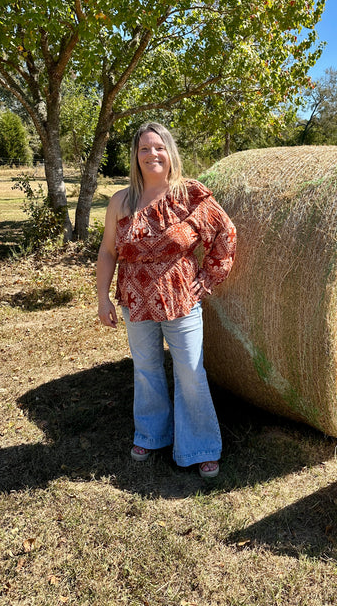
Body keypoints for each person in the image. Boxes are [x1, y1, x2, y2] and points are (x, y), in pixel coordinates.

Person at [97, 121, 236, 478]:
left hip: (181, 300)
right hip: (135, 302)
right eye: (144, 149)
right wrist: (102, 297)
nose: (151, 154)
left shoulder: (189, 195)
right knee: (146, 371)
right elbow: (108, 252)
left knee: (190, 371)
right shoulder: (121, 201)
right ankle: (151, 434)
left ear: (169, 152)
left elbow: (225, 232)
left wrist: (206, 280)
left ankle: (201, 446)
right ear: (135, 156)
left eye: (158, 147)